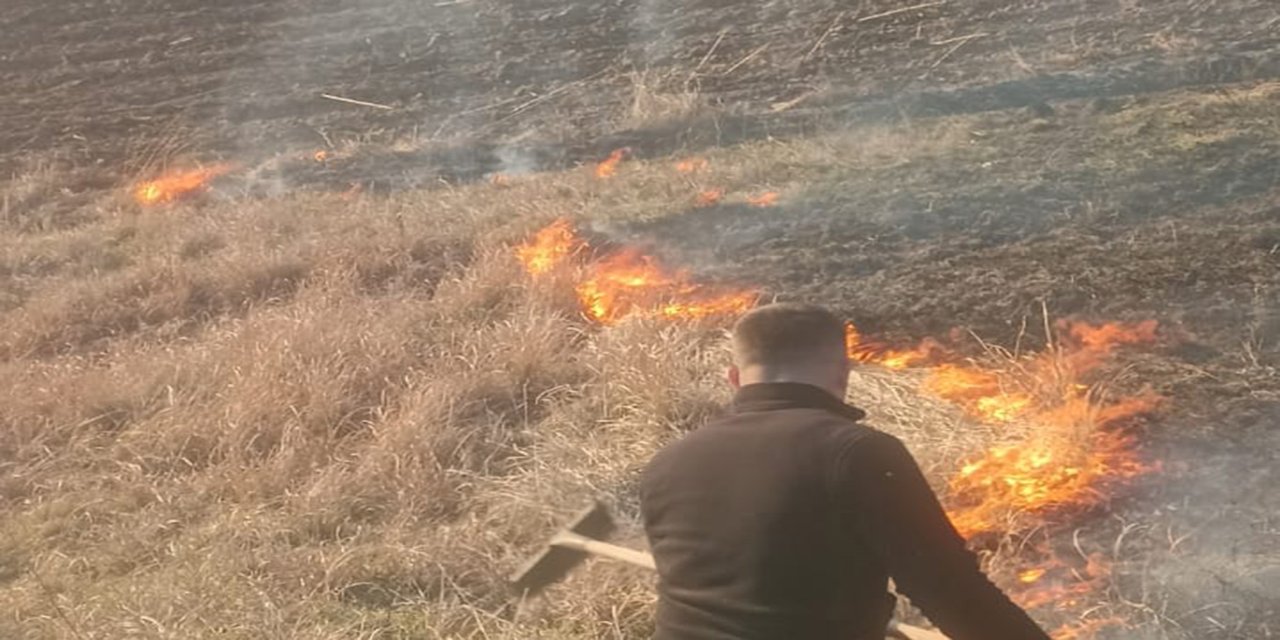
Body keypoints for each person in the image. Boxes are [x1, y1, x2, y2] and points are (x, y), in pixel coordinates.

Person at [640, 303, 1050, 640]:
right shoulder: (857, 453)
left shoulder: (668, 461)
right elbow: (953, 592)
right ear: (843, 373)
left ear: (734, 378)